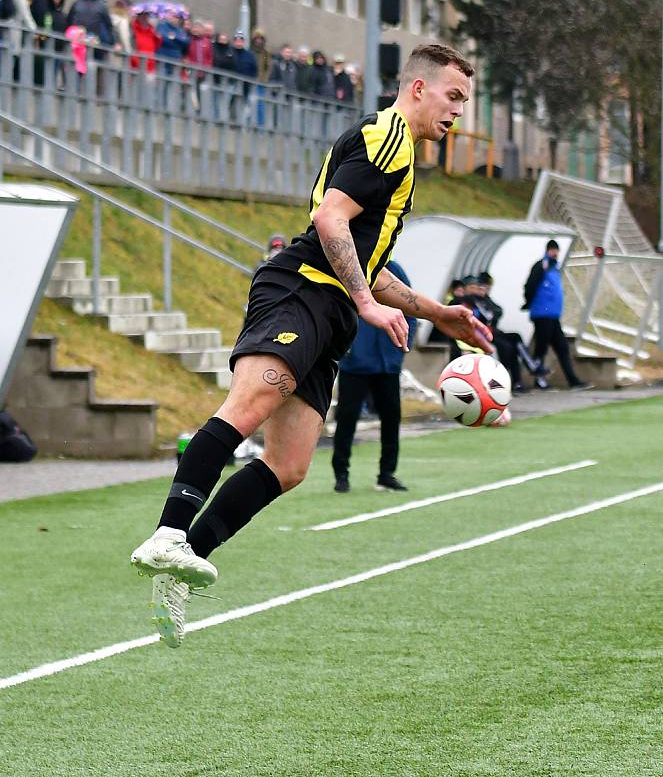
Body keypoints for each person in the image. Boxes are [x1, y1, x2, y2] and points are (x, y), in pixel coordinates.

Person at [130, 43, 492, 648]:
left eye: (465, 101)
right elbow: (329, 224)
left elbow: (364, 259)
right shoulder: (389, 138)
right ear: (420, 88)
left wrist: (434, 312)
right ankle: (168, 531)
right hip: (300, 291)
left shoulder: (396, 149)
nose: (458, 112)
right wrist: (364, 302)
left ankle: (181, 564)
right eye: (453, 96)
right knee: (249, 406)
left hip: (328, 308)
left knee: (290, 464)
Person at [332, 260, 416, 493]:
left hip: (387, 363)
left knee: (391, 419)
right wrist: (345, 348)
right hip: (355, 363)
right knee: (347, 419)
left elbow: (410, 306)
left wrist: (401, 348)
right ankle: (341, 474)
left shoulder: (395, 270)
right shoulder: (348, 267)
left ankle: (387, 473)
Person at [523, 239, 591, 390]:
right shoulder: (542, 266)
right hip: (542, 314)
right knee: (542, 347)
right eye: (553, 250)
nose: (555, 253)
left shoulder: (554, 268)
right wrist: (529, 302)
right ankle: (539, 380)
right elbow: (530, 286)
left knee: (562, 347)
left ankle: (573, 381)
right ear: (548, 250)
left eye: (556, 250)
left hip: (552, 315)